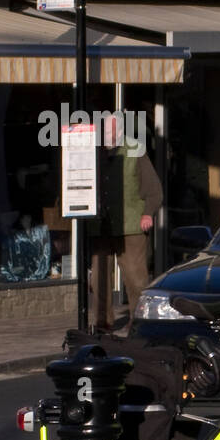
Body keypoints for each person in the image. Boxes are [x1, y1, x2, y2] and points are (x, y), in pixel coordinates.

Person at [90, 118, 162, 333]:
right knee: (99, 276)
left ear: (119, 131)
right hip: (101, 223)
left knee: (134, 276)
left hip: (130, 224)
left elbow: (154, 189)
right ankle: (103, 321)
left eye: (109, 129)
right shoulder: (95, 151)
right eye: (103, 129)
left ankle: (139, 319)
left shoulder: (135, 150)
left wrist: (147, 214)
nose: (105, 133)